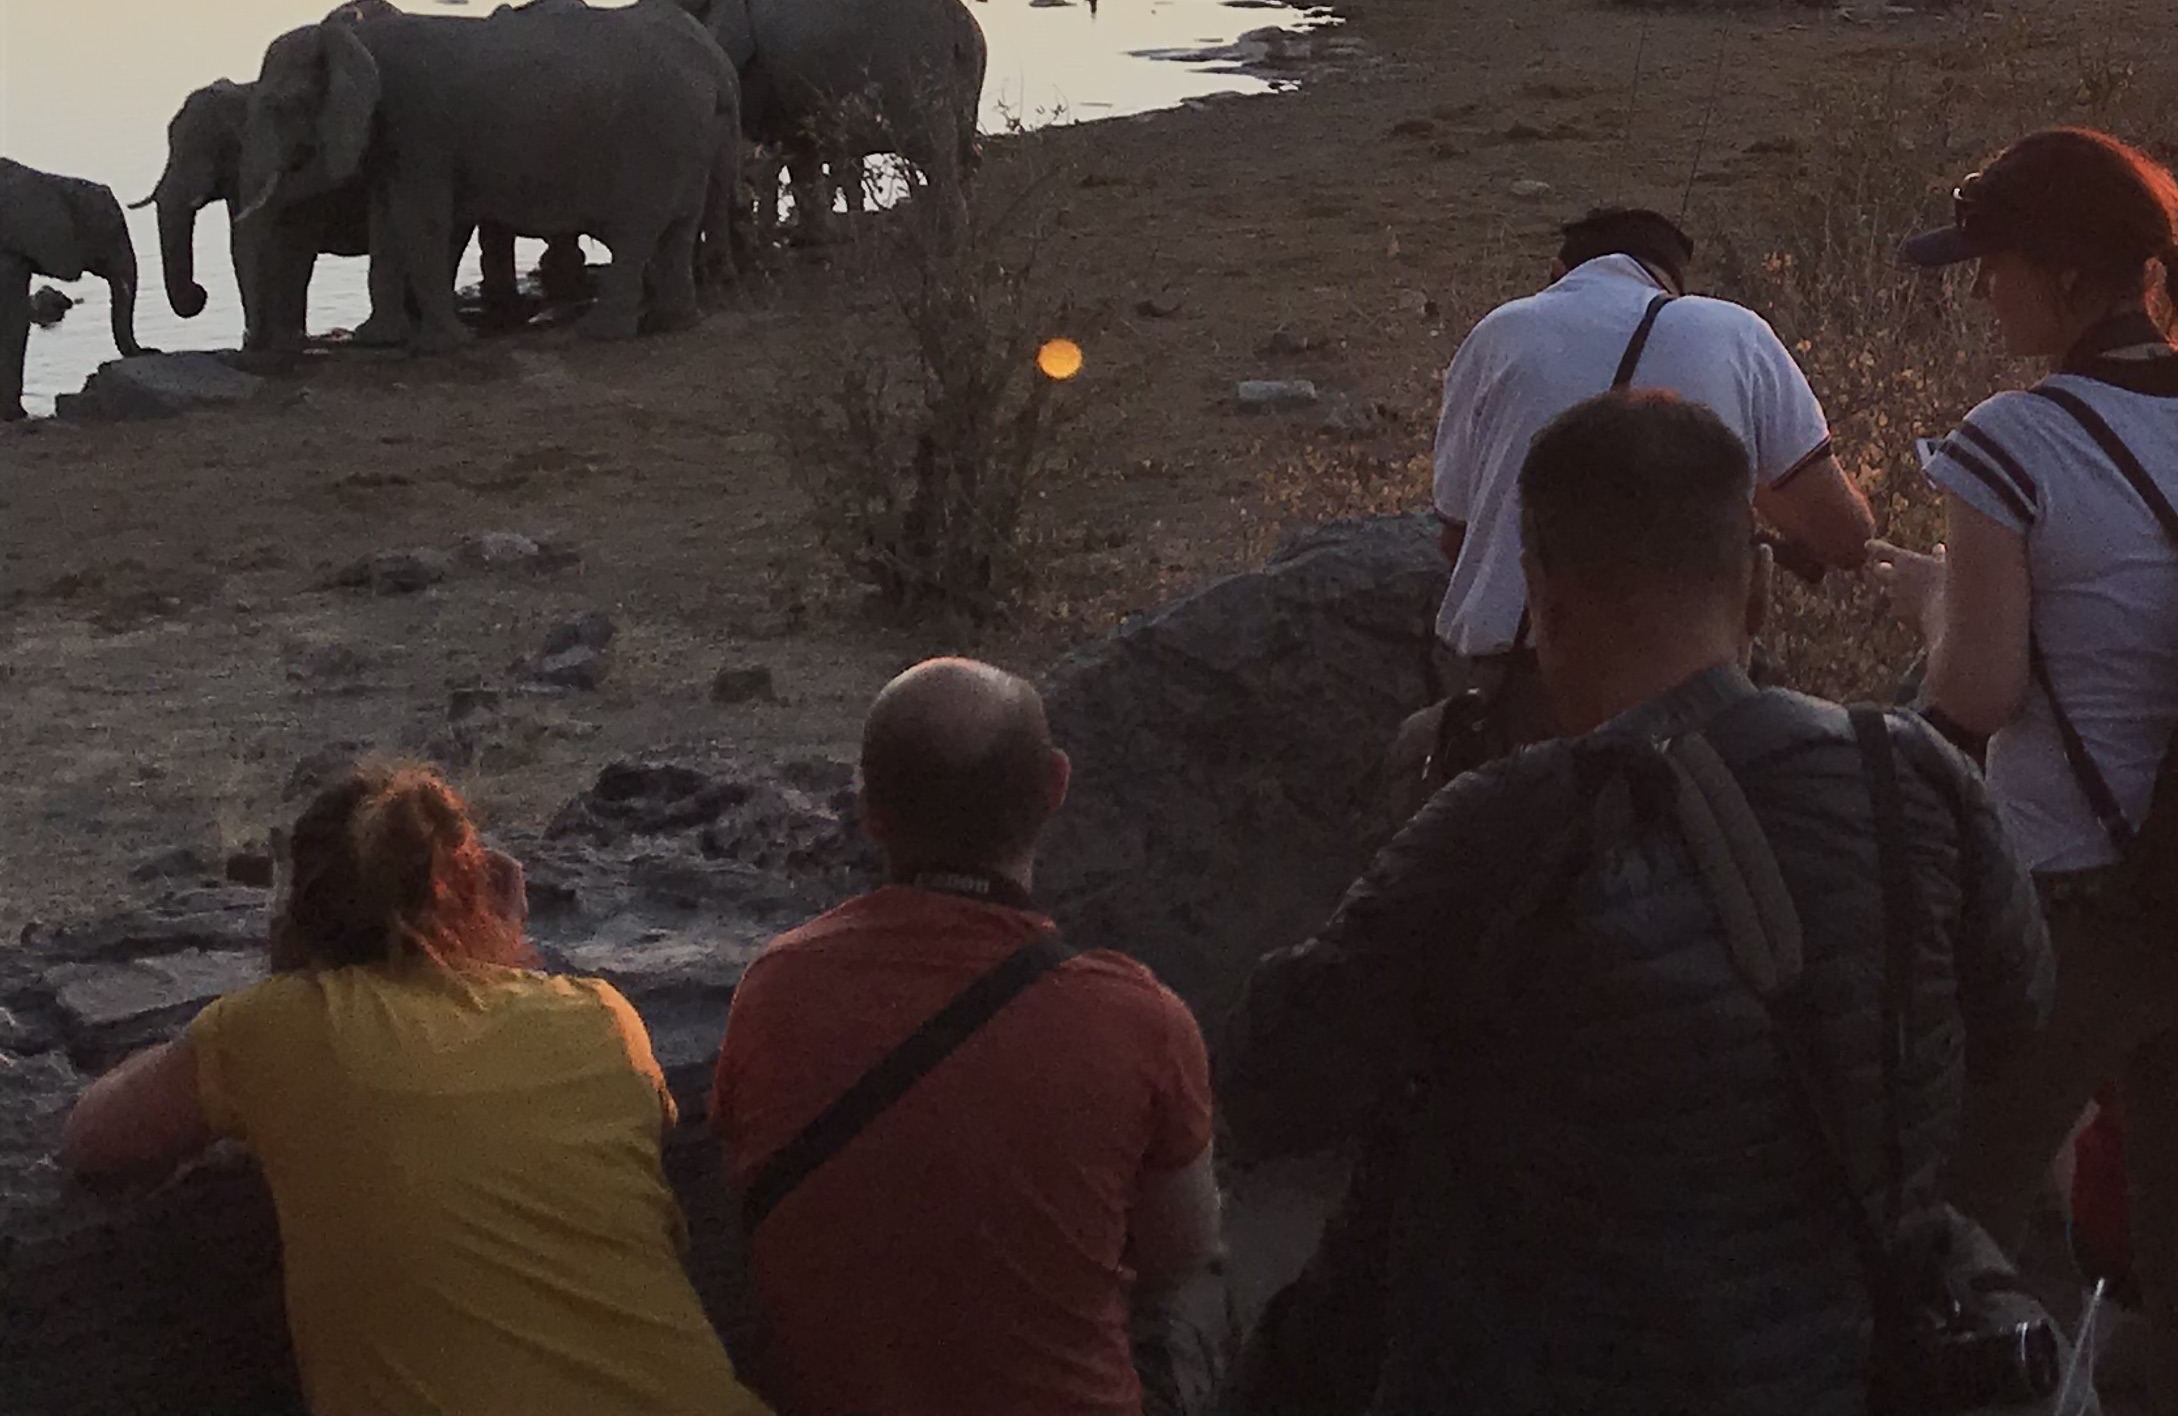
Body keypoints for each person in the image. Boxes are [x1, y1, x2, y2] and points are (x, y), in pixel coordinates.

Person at [1226, 387, 2052, 1415]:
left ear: (1546, 599)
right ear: (1758, 589)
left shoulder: (1496, 829)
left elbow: (1271, 1079)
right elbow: (2015, 1016)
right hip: (1848, 1366)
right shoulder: (1914, 778)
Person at [1868, 125, 2178, 1416]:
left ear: (2065, 276)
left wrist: (1934, 598)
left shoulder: (2013, 441)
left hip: (2070, 902)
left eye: (1994, 264)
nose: (1981, 290)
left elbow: (1978, 693)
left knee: (1957, 1218)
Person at [57, 760, 764, 1416]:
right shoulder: (602, 1019)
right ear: (477, 892)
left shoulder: (278, 1028)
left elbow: (94, 1138)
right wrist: (504, 958)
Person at [709, 658, 1222, 1416]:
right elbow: (1181, 1251)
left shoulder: (771, 989)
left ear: (870, 811)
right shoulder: (1140, 1020)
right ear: (1055, 785)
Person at [1427, 204, 1877, 753]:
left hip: (1516, 690)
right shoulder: (1735, 331)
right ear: (1671, 280)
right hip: (1693, 695)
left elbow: (1456, 538)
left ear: (1558, 272)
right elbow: (1845, 537)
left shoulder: (1496, 334)